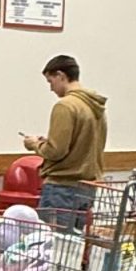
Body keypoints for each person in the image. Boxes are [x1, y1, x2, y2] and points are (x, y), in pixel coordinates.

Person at [22, 55, 108, 230]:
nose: (51, 88)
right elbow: (85, 144)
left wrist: (34, 144)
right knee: (74, 248)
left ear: (61, 75)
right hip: (88, 187)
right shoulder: (96, 106)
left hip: (62, 188)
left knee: (55, 248)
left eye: (50, 81)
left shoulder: (65, 106)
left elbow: (56, 151)